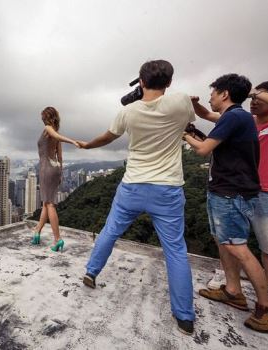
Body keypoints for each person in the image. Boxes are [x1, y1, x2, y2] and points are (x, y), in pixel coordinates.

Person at [78, 60, 196, 335]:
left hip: (132, 185)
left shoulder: (128, 111)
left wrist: (86, 144)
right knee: (175, 250)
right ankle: (185, 317)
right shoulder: (180, 102)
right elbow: (190, 121)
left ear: (140, 82)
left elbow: (107, 138)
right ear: (169, 82)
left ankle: (91, 272)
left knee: (110, 231)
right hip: (167, 188)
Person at [183, 74, 268, 333]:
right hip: (229, 190)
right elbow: (208, 120)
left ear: (225, 94)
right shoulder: (241, 118)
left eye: (214, 92)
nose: (210, 97)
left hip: (232, 193)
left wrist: (185, 136)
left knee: (239, 246)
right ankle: (233, 291)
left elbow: (204, 149)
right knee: (227, 242)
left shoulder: (234, 116)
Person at [206, 81, 268, 313]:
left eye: (260, 98)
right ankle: (231, 285)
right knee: (229, 239)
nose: (254, 101)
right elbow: (213, 116)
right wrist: (198, 106)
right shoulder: (245, 121)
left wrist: (253, 91)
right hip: (239, 188)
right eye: (252, 98)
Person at [31, 106, 79, 252]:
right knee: (46, 202)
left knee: (49, 204)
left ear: (46, 117)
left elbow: (57, 137)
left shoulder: (48, 130)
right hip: (55, 168)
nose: (42, 120)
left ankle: (58, 239)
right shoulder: (55, 132)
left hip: (47, 169)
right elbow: (60, 157)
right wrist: (60, 173)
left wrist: (73, 141)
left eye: (43, 117)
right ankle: (37, 232)